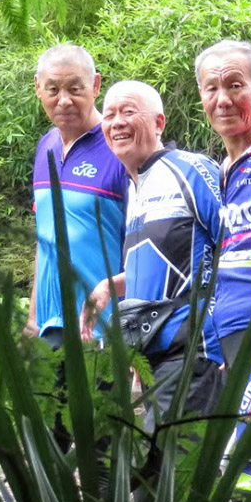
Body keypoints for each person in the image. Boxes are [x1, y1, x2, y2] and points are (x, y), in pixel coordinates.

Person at [80, 80, 225, 424]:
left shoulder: (191, 169)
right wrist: (108, 287)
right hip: (154, 358)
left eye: (128, 112)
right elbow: (168, 263)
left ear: (159, 123)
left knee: (165, 469)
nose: (117, 122)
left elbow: (237, 246)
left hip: (194, 350)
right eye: (110, 114)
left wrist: (235, 336)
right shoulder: (135, 188)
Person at [196, 39, 251, 486]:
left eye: (235, 85)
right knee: (236, 470)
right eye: (211, 88)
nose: (223, 99)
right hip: (228, 340)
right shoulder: (220, 171)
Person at [25, 44, 129, 346]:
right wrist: (32, 319)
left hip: (101, 331)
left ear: (96, 85)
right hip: (48, 330)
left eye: (75, 88)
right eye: (53, 89)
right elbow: (44, 238)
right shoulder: (45, 147)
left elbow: (143, 244)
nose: (64, 100)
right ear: (37, 88)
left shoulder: (121, 148)